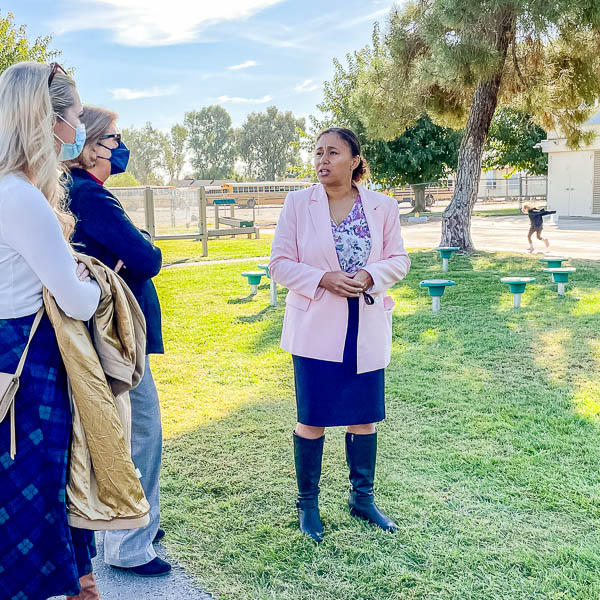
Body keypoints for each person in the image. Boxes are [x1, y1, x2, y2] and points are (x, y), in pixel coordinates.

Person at [269, 127, 411, 542]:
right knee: (312, 419)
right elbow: (279, 263)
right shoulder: (298, 204)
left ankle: (361, 499)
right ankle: (307, 505)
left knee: (363, 419)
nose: (322, 160)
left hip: (364, 326)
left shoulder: (382, 207)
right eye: (318, 153)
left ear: (354, 161)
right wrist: (322, 278)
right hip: (315, 327)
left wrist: (372, 274)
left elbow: (399, 260)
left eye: (332, 152)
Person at [0, 62, 102, 599]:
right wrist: (91, 281)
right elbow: (77, 301)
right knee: (35, 493)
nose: (78, 129)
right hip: (27, 362)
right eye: (75, 116)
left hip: (7, 352)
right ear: (48, 119)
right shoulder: (19, 196)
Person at [66, 105, 170, 577]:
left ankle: (130, 521)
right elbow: (146, 257)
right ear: (90, 148)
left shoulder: (75, 192)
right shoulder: (91, 196)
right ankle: (129, 543)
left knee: (119, 431)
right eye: (113, 138)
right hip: (114, 340)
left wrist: (135, 245)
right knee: (140, 432)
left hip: (96, 336)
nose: (119, 146)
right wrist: (142, 245)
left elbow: (132, 251)